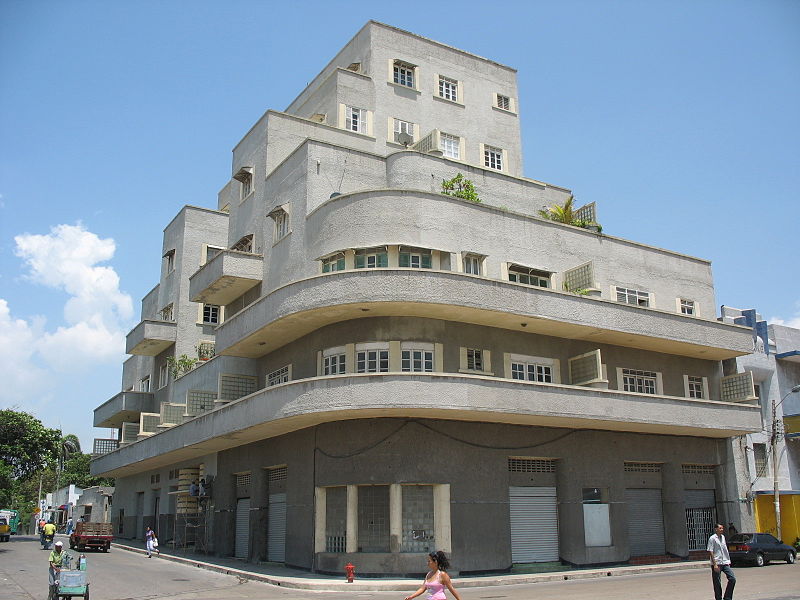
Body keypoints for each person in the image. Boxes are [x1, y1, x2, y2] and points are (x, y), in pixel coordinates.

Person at [708, 523, 736, 600]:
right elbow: (710, 551)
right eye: (720, 528)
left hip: (725, 562)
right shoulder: (712, 538)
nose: (722, 530)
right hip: (717, 563)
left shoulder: (723, 537)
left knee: (732, 578)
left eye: (722, 528)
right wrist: (715, 564)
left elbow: (724, 550)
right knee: (717, 582)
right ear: (716, 529)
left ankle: (727, 597)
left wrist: (728, 561)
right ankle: (718, 598)